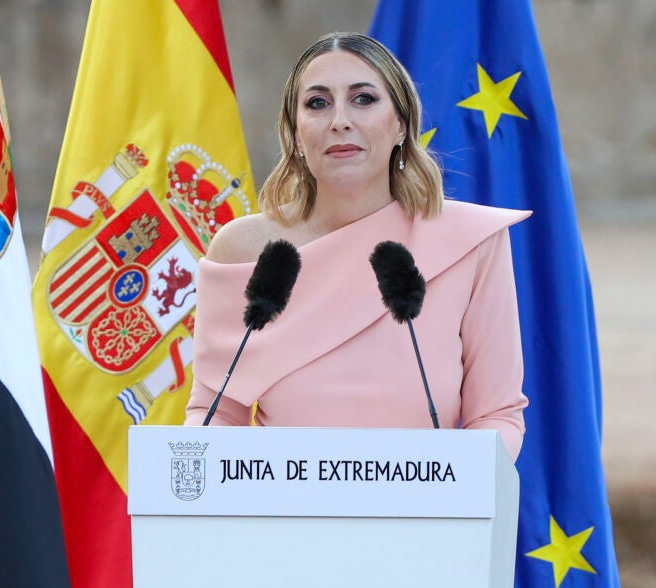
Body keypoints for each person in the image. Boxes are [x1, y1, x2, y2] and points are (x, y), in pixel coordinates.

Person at [184, 32, 528, 460]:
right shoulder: (243, 250)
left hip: (424, 517)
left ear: (401, 123)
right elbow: (218, 414)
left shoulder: (471, 242)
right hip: (280, 517)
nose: (340, 120)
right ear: (294, 131)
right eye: (317, 103)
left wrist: (455, 495)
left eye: (363, 99)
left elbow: (496, 415)